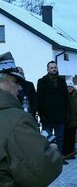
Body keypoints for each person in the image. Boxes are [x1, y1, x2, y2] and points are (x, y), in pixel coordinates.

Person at [0, 52, 62, 186]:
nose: (20, 88)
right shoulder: (16, 119)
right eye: (16, 81)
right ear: (1, 81)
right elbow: (41, 170)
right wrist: (51, 149)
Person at [37, 61, 69, 155]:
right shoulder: (42, 81)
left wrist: (67, 113)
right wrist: (41, 115)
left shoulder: (62, 81)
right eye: (51, 68)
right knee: (47, 137)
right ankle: (50, 158)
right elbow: (39, 99)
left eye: (55, 67)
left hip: (60, 115)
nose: (54, 69)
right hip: (47, 115)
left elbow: (66, 98)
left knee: (60, 137)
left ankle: (59, 157)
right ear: (47, 69)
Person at [63, 81, 77, 158]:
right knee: (67, 137)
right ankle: (67, 153)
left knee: (73, 137)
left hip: (75, 119)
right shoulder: (64, 96)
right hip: (67, 120)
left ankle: (71, 151)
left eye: (71, 87)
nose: (69, 89)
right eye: (68, 87)